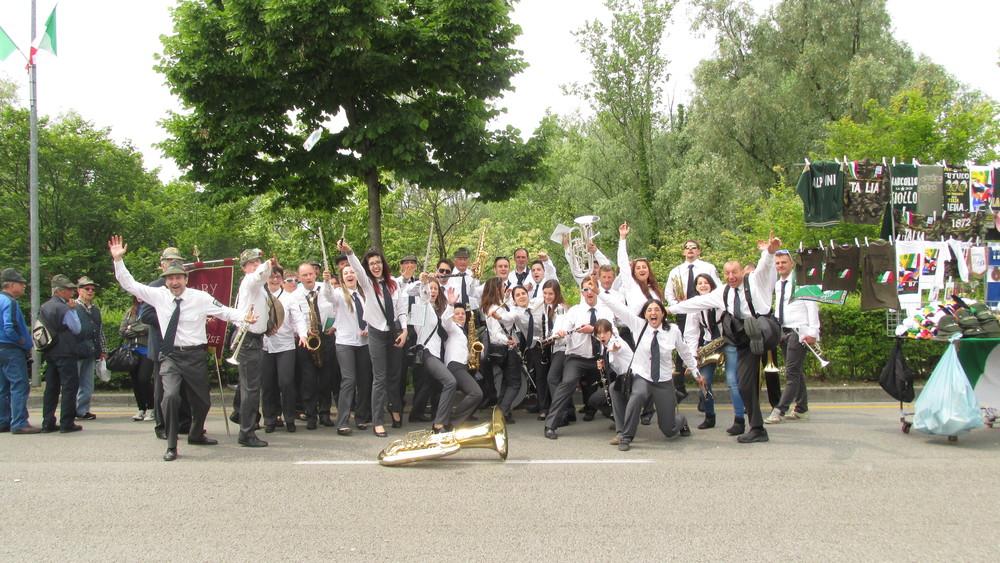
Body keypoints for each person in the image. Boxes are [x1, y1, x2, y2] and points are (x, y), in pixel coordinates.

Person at [109, 235, 252, 461]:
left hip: (194, 356)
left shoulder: (200, 297)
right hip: (171, 356)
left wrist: (245, 317)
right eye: (170, 278)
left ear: (185, 279)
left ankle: (196, 434)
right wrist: (118, 261)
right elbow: (130, 284)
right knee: (171, 397)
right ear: (165, 280)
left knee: (203, 402)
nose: (174, 282)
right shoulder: (158, 296)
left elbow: (225, 311)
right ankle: (172, 445)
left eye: (178, 278)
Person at [669, 232, 782, 444]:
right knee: (744, 383)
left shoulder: (755, 281)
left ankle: (756, 336)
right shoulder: (722, 293)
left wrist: (769, 251)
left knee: (754, 324)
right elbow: (693, 304)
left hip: (766, 329)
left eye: (735, 272)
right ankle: (757, 428)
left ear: (742, 272)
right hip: (746, 341)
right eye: (728, 273)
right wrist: (667, 309)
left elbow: (765, 266)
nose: (731, 276)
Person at [600, 289, 700, 451]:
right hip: (643, 376)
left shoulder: (673, 330)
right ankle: (626, 436)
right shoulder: (638, 325)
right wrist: (599, 292)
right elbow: (618, 307)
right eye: (649, 310)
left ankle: (681, 422)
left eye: (656, 310)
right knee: (637, 395)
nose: (653, 313)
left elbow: (684, 351)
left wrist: (695, 371)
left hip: (664, 381)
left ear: (662, 314)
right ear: (645, 314)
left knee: (668, 430)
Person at [341, 240, 409, 438]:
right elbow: (357, 269)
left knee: (395, 376)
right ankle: (378, 421)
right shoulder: (367, 284)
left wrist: (404, 330)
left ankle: (395, 409)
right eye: (371, 264)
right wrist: (349, 252)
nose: (376, 266)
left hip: (395, 332)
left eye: (378, 262)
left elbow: (401, 309)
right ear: (368, 267)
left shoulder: (394, 284)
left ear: (383, 264)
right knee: (379, 378)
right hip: (376, 333)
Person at [544, 276, 615, 439]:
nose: (588, 292)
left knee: (613, 386)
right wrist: (560, 334)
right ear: (581, 292)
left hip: (600, 358)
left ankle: (617, 418)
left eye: (592, 288)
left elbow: (611, 333)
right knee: (567, 383)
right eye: (585, 289)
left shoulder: (606, 311)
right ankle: (551, 425)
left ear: (597, 290)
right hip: (577, 358)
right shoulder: (574, 311)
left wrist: (593, 330)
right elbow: (563, 333)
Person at [682, 273, 744, 432]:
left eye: (706, 282)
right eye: (699, 283)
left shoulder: (722, 300)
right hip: (710, 343)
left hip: (728, 341)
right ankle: (709, 416)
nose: (703, 285)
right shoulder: (695, 306)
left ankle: (739, 420)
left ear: (712, 285)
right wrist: (693, 355)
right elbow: (691, 332)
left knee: (732, 380)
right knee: (704, 380)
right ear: (695, 287)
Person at [143, 247, 193, 440]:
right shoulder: (155, 287)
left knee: (184, 388)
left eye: (178, 261)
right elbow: (145, 315)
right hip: (161, 345)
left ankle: (183, 423)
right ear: (161, 264)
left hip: (184, 346)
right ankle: (162, 425)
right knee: (162, 389)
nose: (173, 264)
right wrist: (169, 318)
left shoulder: (186, 288)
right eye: (169, 260)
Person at [764, 250, 819, 424]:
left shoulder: (802, 282)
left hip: (799, 331)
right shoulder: (779, 284)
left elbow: (812, 307)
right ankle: (802, 409)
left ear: (792, 263)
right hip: (784, 332)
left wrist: (813, 332)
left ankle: (780, 409)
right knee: (796, 372)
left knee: (791, 373)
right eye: (778, 263)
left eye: (784, 262)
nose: (780, 265)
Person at [664, 240, 720, 404]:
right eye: (687, 248)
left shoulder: (708, 267)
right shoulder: (676, 271)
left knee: (704, 352)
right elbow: (669, 293)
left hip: (707, 314)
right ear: (683, 252)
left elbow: (717, 288)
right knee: (684, 348)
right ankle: (680, 388)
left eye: (693, 248)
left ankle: (704, 394)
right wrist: (680, 306)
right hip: (684, 314)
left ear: (699, 251)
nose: (690, 251)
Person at [321, 265, 373, 435]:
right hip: (345, 343)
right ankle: (343, 421)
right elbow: (327, 296)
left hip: (364, 343)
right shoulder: (338, 294)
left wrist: (369, 328)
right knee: (348, 380)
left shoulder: (365, 294)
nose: (350, 275)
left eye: (352, 272)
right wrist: (327, 281)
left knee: (364, 382)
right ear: (342, 278)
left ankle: (361, 417)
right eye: (346, 273)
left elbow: (373, 316)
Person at [231, 248, 274, 447]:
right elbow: (259, 275)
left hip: (254, 338)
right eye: (251, 263)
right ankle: (246, 432)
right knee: (251, 388)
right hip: (248, 338)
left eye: (258, 261)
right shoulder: (250, 281)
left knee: (249, 387)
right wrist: (267, 264)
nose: (256, 265)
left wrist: (267, 327)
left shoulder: (258, 286)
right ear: (244, 268)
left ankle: (244, 423)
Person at [407, 274, 459, 432]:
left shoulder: (434, 309)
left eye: (435, 288)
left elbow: (445, 324)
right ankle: (438, 423)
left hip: (436, 354)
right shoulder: (421, 305)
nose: (432, 291)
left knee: (443, 384)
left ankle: (441, 420)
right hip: (427, 353)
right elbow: (421, 296)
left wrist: (450, 305)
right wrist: (423, 283)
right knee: (450, 382)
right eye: (430, 288)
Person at [290, 261, 334, 430]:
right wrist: (303, 335)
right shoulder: (295, 295)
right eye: (304, 275)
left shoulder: (326, 288)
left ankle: (325, 413)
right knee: (308, 379)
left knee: (326, 377)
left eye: (310, 274)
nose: (308, 277)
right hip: (307, 337)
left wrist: (334, 325)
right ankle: (310, 415)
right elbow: (297, 318)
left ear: (315, 274)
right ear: (299, 277)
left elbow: (336, 307)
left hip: (326, 335)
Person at [39, 274, 83, 433]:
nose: (71, 293)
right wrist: (73, 311)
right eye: (68, 290)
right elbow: (76, 328)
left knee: (51, 388)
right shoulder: (64, 308)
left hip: (50, 351)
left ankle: (47, 422)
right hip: (66, 351)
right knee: (69, 387)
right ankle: (67, 423)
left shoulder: (45, 306)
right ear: (59, 291)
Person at [262, 265, 302, 433]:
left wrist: (303, 334)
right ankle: (270, 419)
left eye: (278, 276)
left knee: (286, 383)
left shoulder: (289, 297)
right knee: (268, 385)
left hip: (285, 345)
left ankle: (290, 417)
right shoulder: (260, 296)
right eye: (271, 276)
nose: (274, 279)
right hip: (265, 345)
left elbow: (298, 318)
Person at [0, 268, 40, 434]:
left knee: (3, 387)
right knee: (19, 385)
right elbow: (10, 327)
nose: (24, 286)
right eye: (21, 283)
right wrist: (22, 342)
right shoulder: (10, 302)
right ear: (11, 285)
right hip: (11, 349)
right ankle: (19, 423)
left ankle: (3, 421)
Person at [479, 278, 524, 423]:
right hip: (506, 348)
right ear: (496, 288)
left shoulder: (494, 306)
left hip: (503, 348)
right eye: (503, 286)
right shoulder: (493, 309)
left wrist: (506, 298)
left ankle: (502, 411)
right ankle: (502, 412)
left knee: (506, 381)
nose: (505, 288)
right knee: (515, 382)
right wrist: (508, 341)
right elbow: (495, 333)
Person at [441, 302, 483, 426]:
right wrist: (449, 304)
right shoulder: (451, 328)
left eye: (463, 313)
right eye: (457, 313)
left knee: (481, 388)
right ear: (452, 316)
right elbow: (445, 320)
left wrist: (472, 353)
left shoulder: (463, 331)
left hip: (463, 365)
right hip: (455, 365)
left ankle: (463, 417)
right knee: (476, 393)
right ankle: (453, 421)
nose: (460, 315)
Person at [593, 319, 633, 446]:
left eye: (605, 332)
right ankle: (619, 421)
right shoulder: (603, 346)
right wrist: (604, 364)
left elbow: (616, 348)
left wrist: (615, 349)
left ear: (611, 332)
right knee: (605, 393)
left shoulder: (615, 342)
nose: (602, 336)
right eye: (599, 333)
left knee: (613, 389)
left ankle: (622, 431)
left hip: (633, 376)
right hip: (623, 378)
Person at [74, 276, 107, 421]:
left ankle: (83, 410)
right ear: (79, 290)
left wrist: (103, 350)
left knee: (88, 383)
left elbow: (100, 331)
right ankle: (72, 410)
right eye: (87, 288)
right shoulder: (73, 307)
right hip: (76, 351)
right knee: (74, 383)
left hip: (91, 351)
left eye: (92, 289)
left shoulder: (95, 310)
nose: (90, 291)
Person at [120, 296, 155, 422]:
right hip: (132, 350)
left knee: (144, 379)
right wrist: (131, 330)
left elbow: (149, 327)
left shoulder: (153, 309)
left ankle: (152, 408)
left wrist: (132, 328)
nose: (140, 297)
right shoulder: (130, 311)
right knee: (135, 381)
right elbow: (122, 329)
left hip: (147, 350)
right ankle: (141, 408)